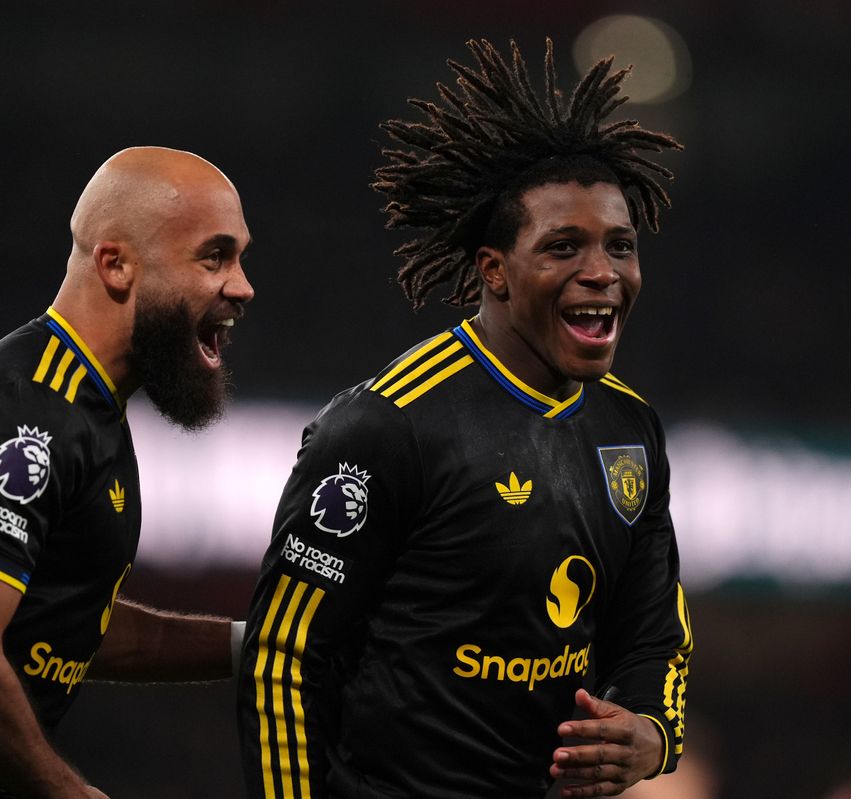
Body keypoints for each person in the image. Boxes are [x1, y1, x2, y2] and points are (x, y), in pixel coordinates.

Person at [237, 39, 694, 798]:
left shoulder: (630, 431)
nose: (602, 273)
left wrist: (652, 731)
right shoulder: (389, 425)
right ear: (494, 271)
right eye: (564, 247)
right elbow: (283, 658)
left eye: (620, 245)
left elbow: (653, 635)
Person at [0, 146, 254, 798]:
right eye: (215, 256)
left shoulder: (88, 410)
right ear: (116, 265)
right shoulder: (31, 411)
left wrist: (256, 646)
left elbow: (69, 624)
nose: (242, 285)